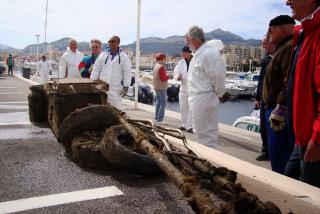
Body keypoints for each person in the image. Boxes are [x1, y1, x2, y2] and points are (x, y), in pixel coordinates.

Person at [284, 0, 320, 188]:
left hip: (314, 139)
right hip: (302, 137)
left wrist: (318, 136)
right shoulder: (303, 33)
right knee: (288, 182)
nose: (287, 1)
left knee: (307, 195)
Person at [262, 15, 295, 174]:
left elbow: (287, 79)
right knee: (276, 155)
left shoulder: (288, 47)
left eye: (271, 30)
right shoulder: (282, 48)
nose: (269, 34)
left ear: (283, 28)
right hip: (272, 109)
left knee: (280, 157)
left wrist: (281, 107)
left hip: (278, 112)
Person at [185, 26, 226, 148]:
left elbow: (218, 77)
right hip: (199, 99)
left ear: (195, 40)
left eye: (188, 40)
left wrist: (219, 94)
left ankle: (209, 162)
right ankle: (204, 159)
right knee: (199, 132)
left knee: (206, 135)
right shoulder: (199, 53)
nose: (187, 43)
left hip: (205, 98)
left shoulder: (209, 54)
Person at [90, 36, 131, 109]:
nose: (110, 43)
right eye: (109, 42)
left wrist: (126, 87)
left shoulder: (124, 57)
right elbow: (96, 69)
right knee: (102, 108)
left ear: (118, 43)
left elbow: (127, 72)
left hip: (115, 88)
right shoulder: (103, 55)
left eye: (112, 41)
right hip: (102, 87)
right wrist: (92, 81)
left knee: (116, 110)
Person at [255, 34, 276, 161]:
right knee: (263, 126)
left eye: (264, 43)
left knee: (273, 126)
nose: (263, 46)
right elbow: (261, 81)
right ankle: (265, 150)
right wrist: (257, 98)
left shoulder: (280, 56)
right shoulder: (266, 59)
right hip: (263, 97)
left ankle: (274, 151)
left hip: (274, 99)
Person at [174, 46, 193, 133]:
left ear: (189, 53)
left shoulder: (196, 60)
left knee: (191, 107)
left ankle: (190, 126)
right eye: (182, 53)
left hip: (193, 88)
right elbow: (176, 71)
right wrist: (178, 77)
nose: (183, 55)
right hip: (183, 87)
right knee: (183, 107)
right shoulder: (181, 62)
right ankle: (183, 124)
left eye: (185, 53)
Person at [153, 53, 169, 124]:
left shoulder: (156, 65)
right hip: (161, 87)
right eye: (165, 58)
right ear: (162, 59)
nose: (166, 60)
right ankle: (160, 120)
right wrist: (168, 76)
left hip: (156, 87)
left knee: (159, 102)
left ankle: (156, 118)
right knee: (163, 103)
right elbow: (163, 78)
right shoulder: (161, 67)